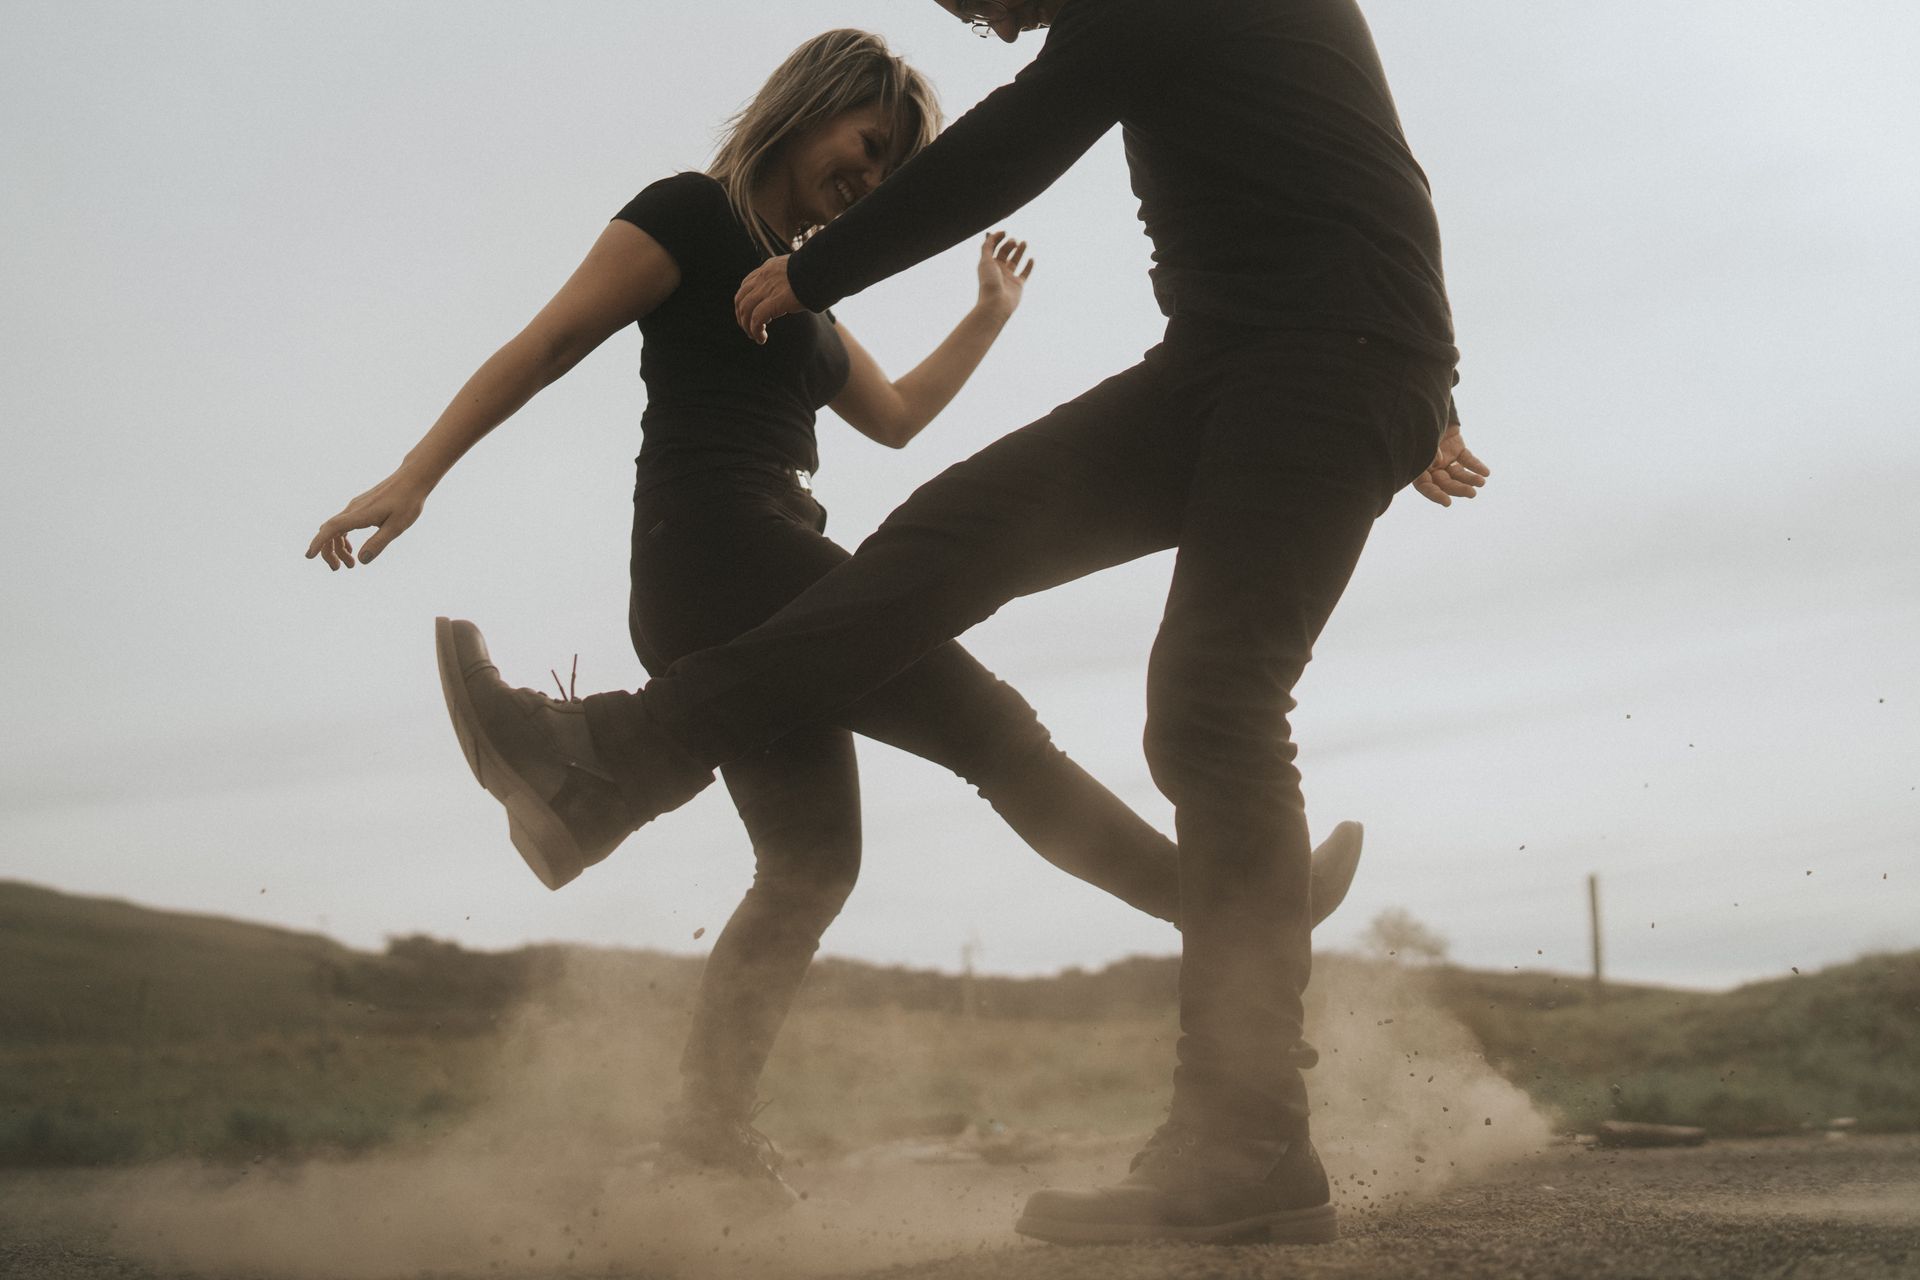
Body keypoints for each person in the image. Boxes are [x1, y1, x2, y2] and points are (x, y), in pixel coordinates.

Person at [308, 28, 1365, 1200]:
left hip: (742, 574)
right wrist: (415, 473)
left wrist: (988, 317)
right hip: (725, 549)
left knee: (811, 864)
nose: (869, 181)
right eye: (866, 147)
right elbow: (552, 338)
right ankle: (1232, 900)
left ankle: (704, 1128)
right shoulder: (691, 218)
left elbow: (901, 414)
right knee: (998, 732)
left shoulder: (801, 280)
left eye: (890, 172)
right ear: (809, 108)